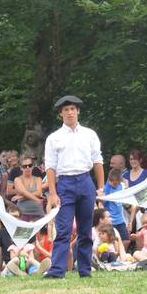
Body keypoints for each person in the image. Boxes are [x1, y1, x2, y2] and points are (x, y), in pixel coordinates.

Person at [43, 95, 104, 279]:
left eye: (72, 109)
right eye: (66, 110)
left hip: (85, 181)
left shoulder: (89, 134)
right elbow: (50, 167)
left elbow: (97, 161)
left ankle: (85, 270)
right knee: (64, 229)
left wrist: (100, 188)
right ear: (61, 113)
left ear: (78, 111)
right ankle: (57, 271)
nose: (70, 112)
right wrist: (52, 193)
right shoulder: (54, 138)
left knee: (86, 229)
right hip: (65, 183)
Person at [102, 169, 130, 251]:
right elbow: (101, 202)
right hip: (111, 221)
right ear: (110, 180)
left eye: (117, 183)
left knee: (126, 240)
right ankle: (114, 256)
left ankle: (121, 254)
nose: (116, 185)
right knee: (112, 241)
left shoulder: (121, 186)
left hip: (120, 220)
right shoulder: (106, 188)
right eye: (114, 183)